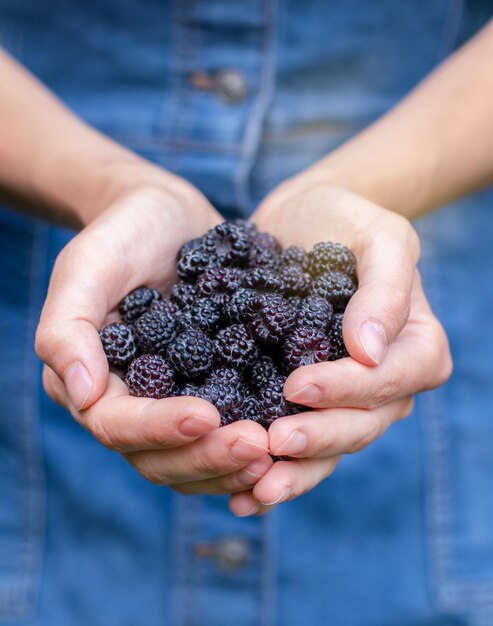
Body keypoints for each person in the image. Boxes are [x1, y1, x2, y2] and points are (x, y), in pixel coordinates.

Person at [0, 3, 491, 625]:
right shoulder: (203, 314)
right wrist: (102, 186)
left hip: (423, 468)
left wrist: (366, 187)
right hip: (44, 466)